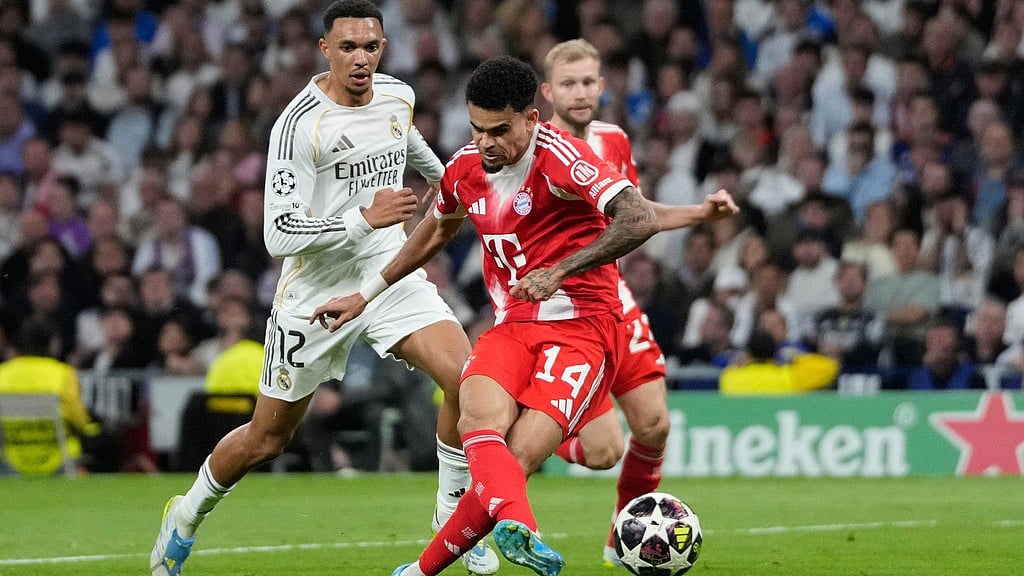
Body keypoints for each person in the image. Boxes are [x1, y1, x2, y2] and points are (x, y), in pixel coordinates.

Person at [310, 55, 737, 576]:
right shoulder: (466, 167)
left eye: (499, 131)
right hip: (513, 325)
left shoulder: (562, 158)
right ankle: (517, 527)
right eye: (477, 129)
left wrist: (560, 270)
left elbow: (638, 217)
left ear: (532, 119)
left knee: (522, 459)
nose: (486, 142)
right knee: (476, 419)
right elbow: (436, 230)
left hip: (582, 329)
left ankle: (424, 568)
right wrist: (366, 294)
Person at [150, 3, 499, 575]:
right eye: (348, 47)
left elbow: (405, 142)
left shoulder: (398, 95)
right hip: (313, 293)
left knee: (467, 378)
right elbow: (278, 234)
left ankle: (452, 511)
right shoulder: (299, 125)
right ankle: (186, 514)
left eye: (371, 46)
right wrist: (365, 218)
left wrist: (449, 181)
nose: (361, 58)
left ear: (383, 47)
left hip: (386, 273)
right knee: (267, 439)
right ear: (325, 49)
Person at [536, 37, 681, 565]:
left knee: (654, 424)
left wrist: (698, 213)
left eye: (587, 82)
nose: (579, 93)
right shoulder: (535, 150)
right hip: (560, 308)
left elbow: (634, 214)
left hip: (613, 297)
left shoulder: (614, 139)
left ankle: (623, 539)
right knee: (602, 452)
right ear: (548, 92)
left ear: (601, 86)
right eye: (568, 84)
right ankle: (526, 431)